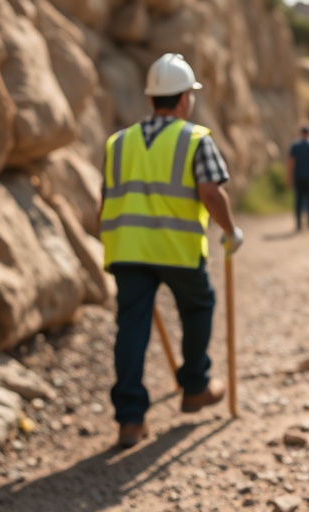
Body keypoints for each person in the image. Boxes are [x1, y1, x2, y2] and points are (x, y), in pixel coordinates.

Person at [100, 53, 244, 448]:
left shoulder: (118, 142)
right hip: (176, 249)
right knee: (198, 307)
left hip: (127, 250)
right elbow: (211, 191)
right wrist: (231, 231)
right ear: (184, 100)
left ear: (151, 100)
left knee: (131, 327)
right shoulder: (196, 138)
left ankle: (130, 421)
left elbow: (107, 199)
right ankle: (195, 386)